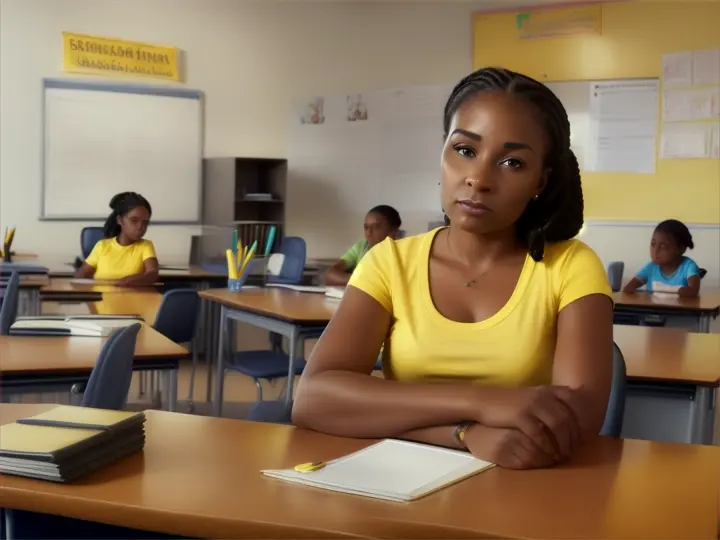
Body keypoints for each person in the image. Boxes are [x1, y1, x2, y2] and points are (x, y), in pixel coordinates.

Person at [293, 67, 614, 470]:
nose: (478, 179)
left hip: (528, 492)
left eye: (513, 163)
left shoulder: (571, 265)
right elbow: (313, 401)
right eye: (464, 150)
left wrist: (397, 415)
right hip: (395, 482)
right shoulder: (389, 262)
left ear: (541, 182)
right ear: (442, 152)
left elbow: (572, 420)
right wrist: (473, 419)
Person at [75, 192, 159, 287]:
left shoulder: (145, 245)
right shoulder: (102, 246)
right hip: (103, 299)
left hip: (133, 299)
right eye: (134, 220)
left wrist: (130, 280)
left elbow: (152, 274)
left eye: (145, 222)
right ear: (120, 220)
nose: (140, 226)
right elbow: (79, 277)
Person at [324, 205, 402, 286]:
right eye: (366, 227)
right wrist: (362, 281)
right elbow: (331, 275)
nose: (369, 233)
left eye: (376, 227)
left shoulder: (404, 251)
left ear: (393, 230)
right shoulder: (361, 247)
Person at [623, 219, 700, 298]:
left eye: (663, 246)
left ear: (681, 248)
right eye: (653, 244)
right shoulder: (651, 267)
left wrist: (686, 291)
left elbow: (693, 291)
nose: (655, 251)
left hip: (680, 310)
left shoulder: (688, 266)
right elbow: (628, 288)